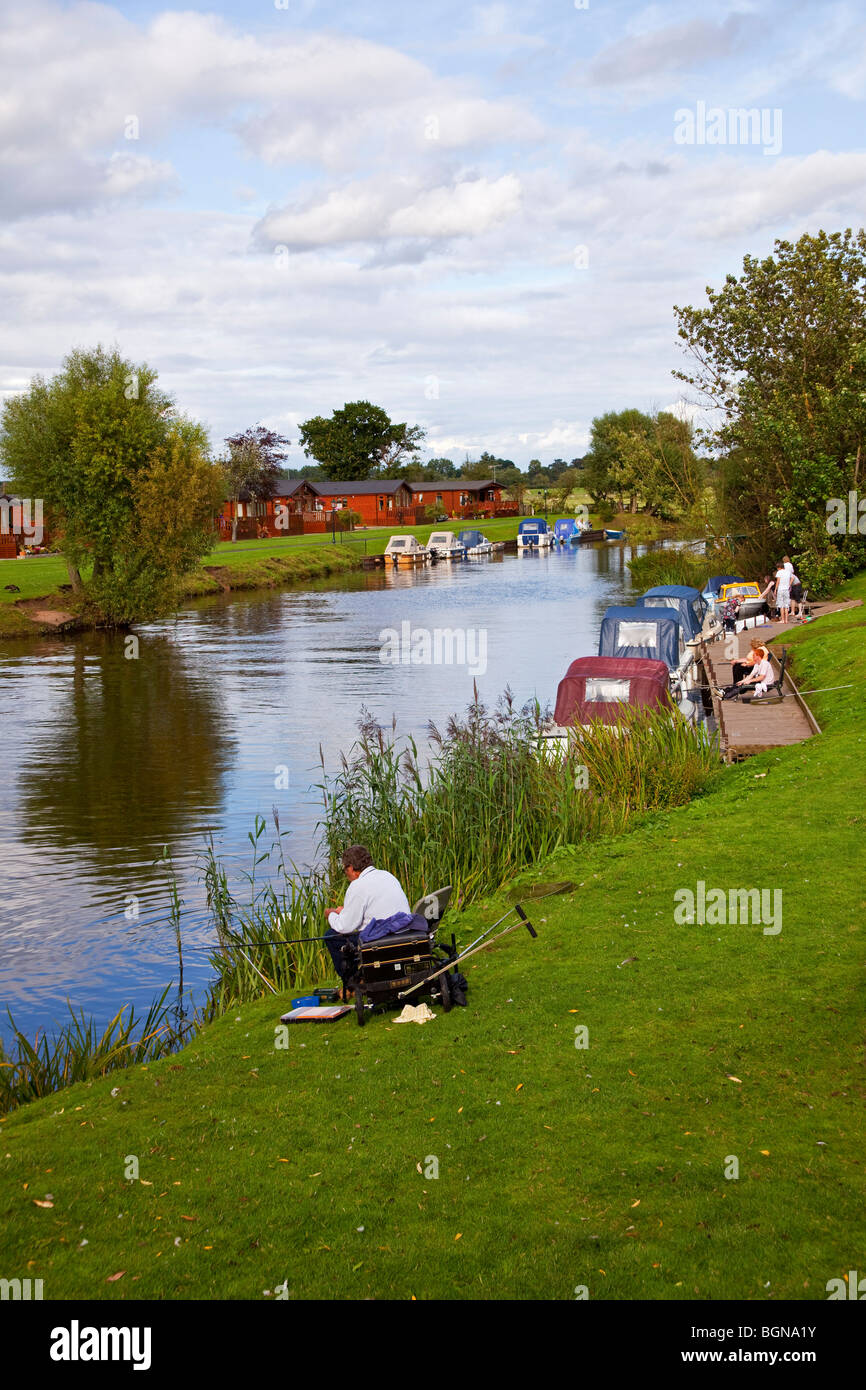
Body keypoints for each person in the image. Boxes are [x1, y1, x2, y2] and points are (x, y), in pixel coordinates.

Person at [324, 845, 410, 989]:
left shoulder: (357, 886)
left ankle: (353, 983)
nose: (346, 874)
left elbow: (344, 927)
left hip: (381, 938)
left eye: (345, 869)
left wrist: (331, 914)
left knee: (331, 937)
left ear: (351, 868)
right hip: (402, 930)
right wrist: (345, 912)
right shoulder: (387, 875)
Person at [774, 561, 791, 625]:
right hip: (787, 590)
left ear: (779, 567)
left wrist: (775, 589)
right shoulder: (788, 572)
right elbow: (791, 578)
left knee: (781, 605)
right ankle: (786, 620)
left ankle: (782, 620)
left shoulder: (779, 572)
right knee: (786, 605)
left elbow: (778, 581)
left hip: (781, 590)